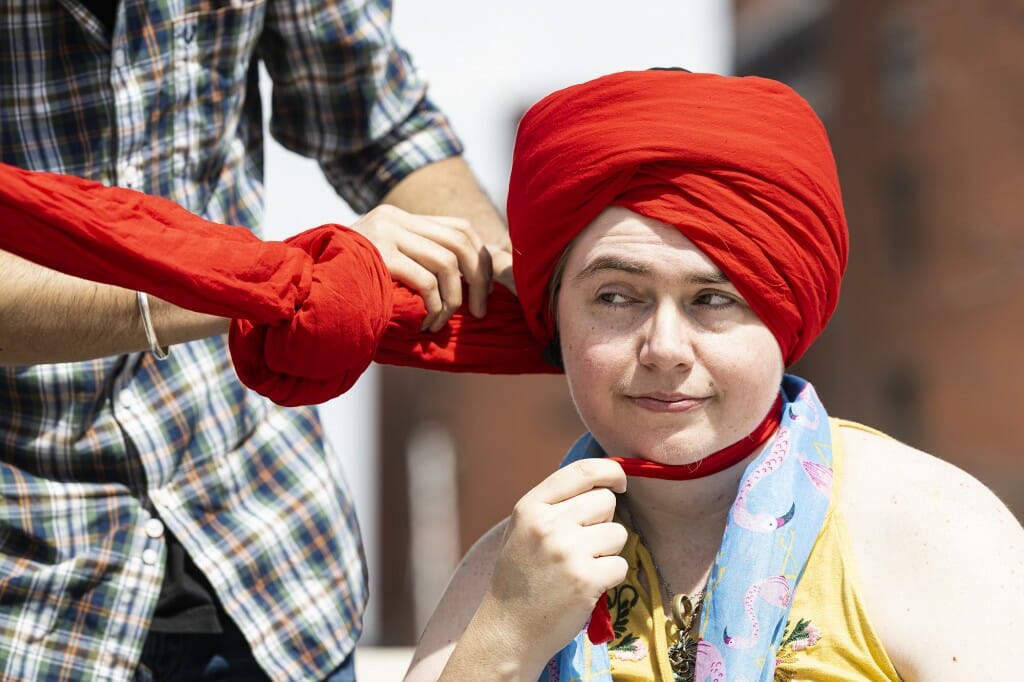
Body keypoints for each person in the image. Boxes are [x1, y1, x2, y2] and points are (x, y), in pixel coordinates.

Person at [403, 69, 1024, 682]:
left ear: (785, 315)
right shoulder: (510, 570)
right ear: (557, 318)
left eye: (714, 299)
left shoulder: (930, 531)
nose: (665, 348)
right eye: (617, 298)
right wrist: (506, 638)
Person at [0, 2, 512, 680]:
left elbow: (377, 123)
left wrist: (525, 285)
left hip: (271, 555)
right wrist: (281, 283)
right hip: (31, 593)